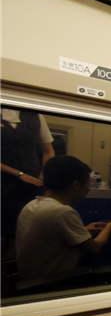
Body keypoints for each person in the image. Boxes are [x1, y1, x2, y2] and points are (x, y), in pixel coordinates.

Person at [15, 156, 111, 290]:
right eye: (87, 183)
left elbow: (53, 236)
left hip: (29, 277)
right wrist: (109, 228)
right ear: (76, 185)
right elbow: (94, 247)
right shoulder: (62, 212)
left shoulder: (32, 205)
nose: (88, 189)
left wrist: (85, 229)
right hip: (51, 282)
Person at [1, 108, 55, 256]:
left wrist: (43, 175)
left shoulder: (35, 115)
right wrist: (19, 174)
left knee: (28, 233)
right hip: (4, 185)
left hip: (31, 186)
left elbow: (48, 150)